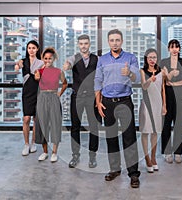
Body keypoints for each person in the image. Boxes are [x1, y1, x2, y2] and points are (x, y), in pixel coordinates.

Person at [94, 29, 141, 188]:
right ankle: (114, 169)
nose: (115, 43)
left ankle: (134, 174)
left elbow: (137, 78)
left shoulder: (130, 58)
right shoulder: (102, 60)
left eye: (117, 40)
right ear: (109, 42)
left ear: (121, 41)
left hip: (125, 101)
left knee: (129, 138)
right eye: (112, 40)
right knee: (111, 137)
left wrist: (130, 73)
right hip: (107, 103)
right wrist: (98, 102)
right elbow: (98, 80)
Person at [63, 34, 101, 168]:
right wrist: (67, 65)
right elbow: (67, 64)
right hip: (77, 96)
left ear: (89, 44)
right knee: (75, 126)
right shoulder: (74, 58)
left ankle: (92, 156)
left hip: (92, 96)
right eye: (81, 44)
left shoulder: (97, 59)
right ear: (78, 45)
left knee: (94, 126)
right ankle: (75, 155)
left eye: (86, 43)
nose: (83, 46)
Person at [160, 39, 182, 164]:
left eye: (176, 47)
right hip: (167, 97)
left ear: (179, 49)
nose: (174, 49)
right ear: (168, 49)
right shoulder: (164, 62)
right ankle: (167, 152)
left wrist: (173, 83)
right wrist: (170, 75)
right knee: (166, 125)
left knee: (179, 125)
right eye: (172, 47)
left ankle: (178, 152)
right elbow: (163, 81)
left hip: (181, 97)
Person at [34, 47, 67, 162]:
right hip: (42, 98)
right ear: (43, 59)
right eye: (45, 58)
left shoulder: (59, 71)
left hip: (53, 97)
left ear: (54, 59)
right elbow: (36, 78)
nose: (48, 61)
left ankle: (54, 152)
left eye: (50, 59)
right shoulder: (39, 71)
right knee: (42, 124)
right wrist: (39, 72)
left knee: (55, 124)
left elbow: (65, 84)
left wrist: (59, 94)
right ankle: (45, 152)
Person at [139, 48, 166, 173]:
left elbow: (163, 90)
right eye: (149, 57)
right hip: (146, 104)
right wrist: (150, 80)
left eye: (154, 57)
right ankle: (147, 158)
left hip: (158, 104)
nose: (152, 60)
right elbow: (143, 87)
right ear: (146, 59)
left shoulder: (161, 72)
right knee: (145, 131)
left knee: (155, 132)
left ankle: (154, 158)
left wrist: (164, 105)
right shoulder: (143, 71)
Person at [14, 40, 44, 156]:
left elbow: (44, 78)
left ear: (37, 49)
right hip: (27, 93)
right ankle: (26, 144)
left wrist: (39, 77)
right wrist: (17, 65)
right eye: (29, 48)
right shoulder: (23, 61)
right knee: (26, 119)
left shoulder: (41, 63)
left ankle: (33, 143)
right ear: (27, 50)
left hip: (38, 92)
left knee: (36, 119)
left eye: (33, 48)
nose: (31, 50)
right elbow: (18, 65)